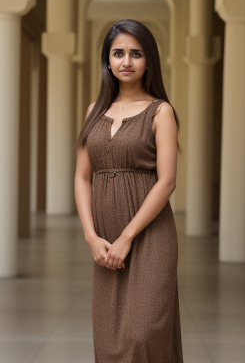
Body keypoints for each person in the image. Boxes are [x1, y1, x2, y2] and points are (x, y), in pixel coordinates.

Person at [74, 19, 183, 363]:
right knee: (109, 341)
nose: (126, 61)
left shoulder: (161, 111)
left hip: (150, 235)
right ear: (107, 60)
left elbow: (167, 181)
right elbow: (81, 177)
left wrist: (127, 237)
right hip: (105, 238)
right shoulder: (93, 112)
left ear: (148, 60)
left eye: (136, 54)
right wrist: (92, 237)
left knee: (143, 333)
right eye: (118, 53)